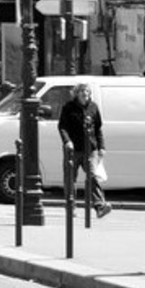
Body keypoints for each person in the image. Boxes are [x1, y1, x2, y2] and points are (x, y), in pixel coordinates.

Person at [59, 82, 111, 218]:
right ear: (77, 94)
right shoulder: (68, 108)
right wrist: (67, 141)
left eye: (87, 92)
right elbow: (62, 127)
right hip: (73, 149)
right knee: (70, 178)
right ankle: (70, 207)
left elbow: (98, 128)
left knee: (93, 176)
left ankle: (100, 206)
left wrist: (102, 147)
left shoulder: (93, 107)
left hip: (90, 148)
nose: (84, 94)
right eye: (81, 92)